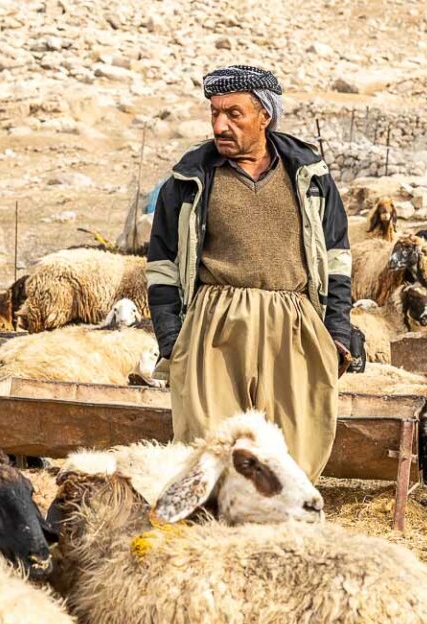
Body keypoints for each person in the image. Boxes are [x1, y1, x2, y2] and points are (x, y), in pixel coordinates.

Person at [145, 65, 352, 481]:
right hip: (214, 325)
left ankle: (280, 531)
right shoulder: (187, 181)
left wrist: (338, 334)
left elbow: (336, 259)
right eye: (215, 114)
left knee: (295, 443)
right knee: (209, 446)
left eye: (234, 114)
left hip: (292, 323)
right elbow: (162, 267)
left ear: (265, 116)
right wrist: (173, 341)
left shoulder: (310, 178)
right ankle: (215, 536)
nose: (220, 125)